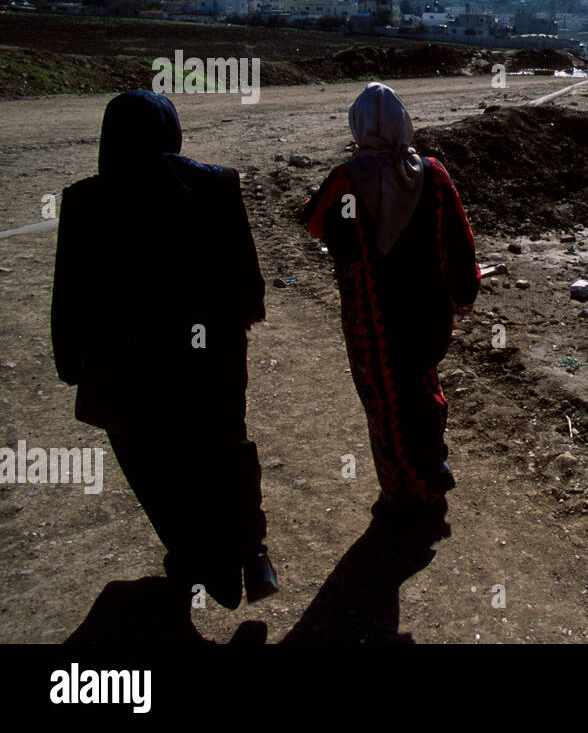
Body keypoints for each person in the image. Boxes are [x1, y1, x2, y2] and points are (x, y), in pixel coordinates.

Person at [52, 90, 277, 611]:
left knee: (154, 464)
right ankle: (251, 552)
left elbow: (71, 295)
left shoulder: (85, 200)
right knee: (226, 448)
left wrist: (72, 363)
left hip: (126, 365)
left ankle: (195, 558)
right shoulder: (217, 183)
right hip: (213, 356)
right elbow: (247, 281)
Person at [303, 83, 479, 530]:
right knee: (423, 381)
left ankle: (410, 491)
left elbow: (318, 225)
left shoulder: (348, 178)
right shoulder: (433, 172)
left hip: (376, 317)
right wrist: (463, 295)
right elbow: (460, 240)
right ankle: (434, 461)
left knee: (387, 400)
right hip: (428, 311)